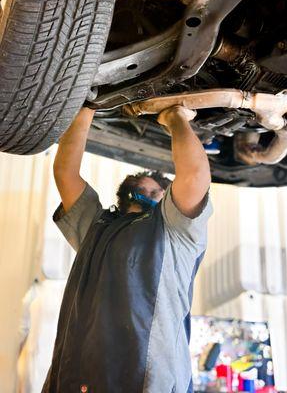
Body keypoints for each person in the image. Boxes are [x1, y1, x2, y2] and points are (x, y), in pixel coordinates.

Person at [42, 105, 213, 393]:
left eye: (157, 189)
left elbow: (194, 176)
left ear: (166, 198)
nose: (148, 190)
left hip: (137, 378)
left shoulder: (176, 230)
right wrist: (86, 109)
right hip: (84, 374)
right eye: (141, 187)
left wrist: (176, 118)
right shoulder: (97, 226)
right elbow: (66, 173)